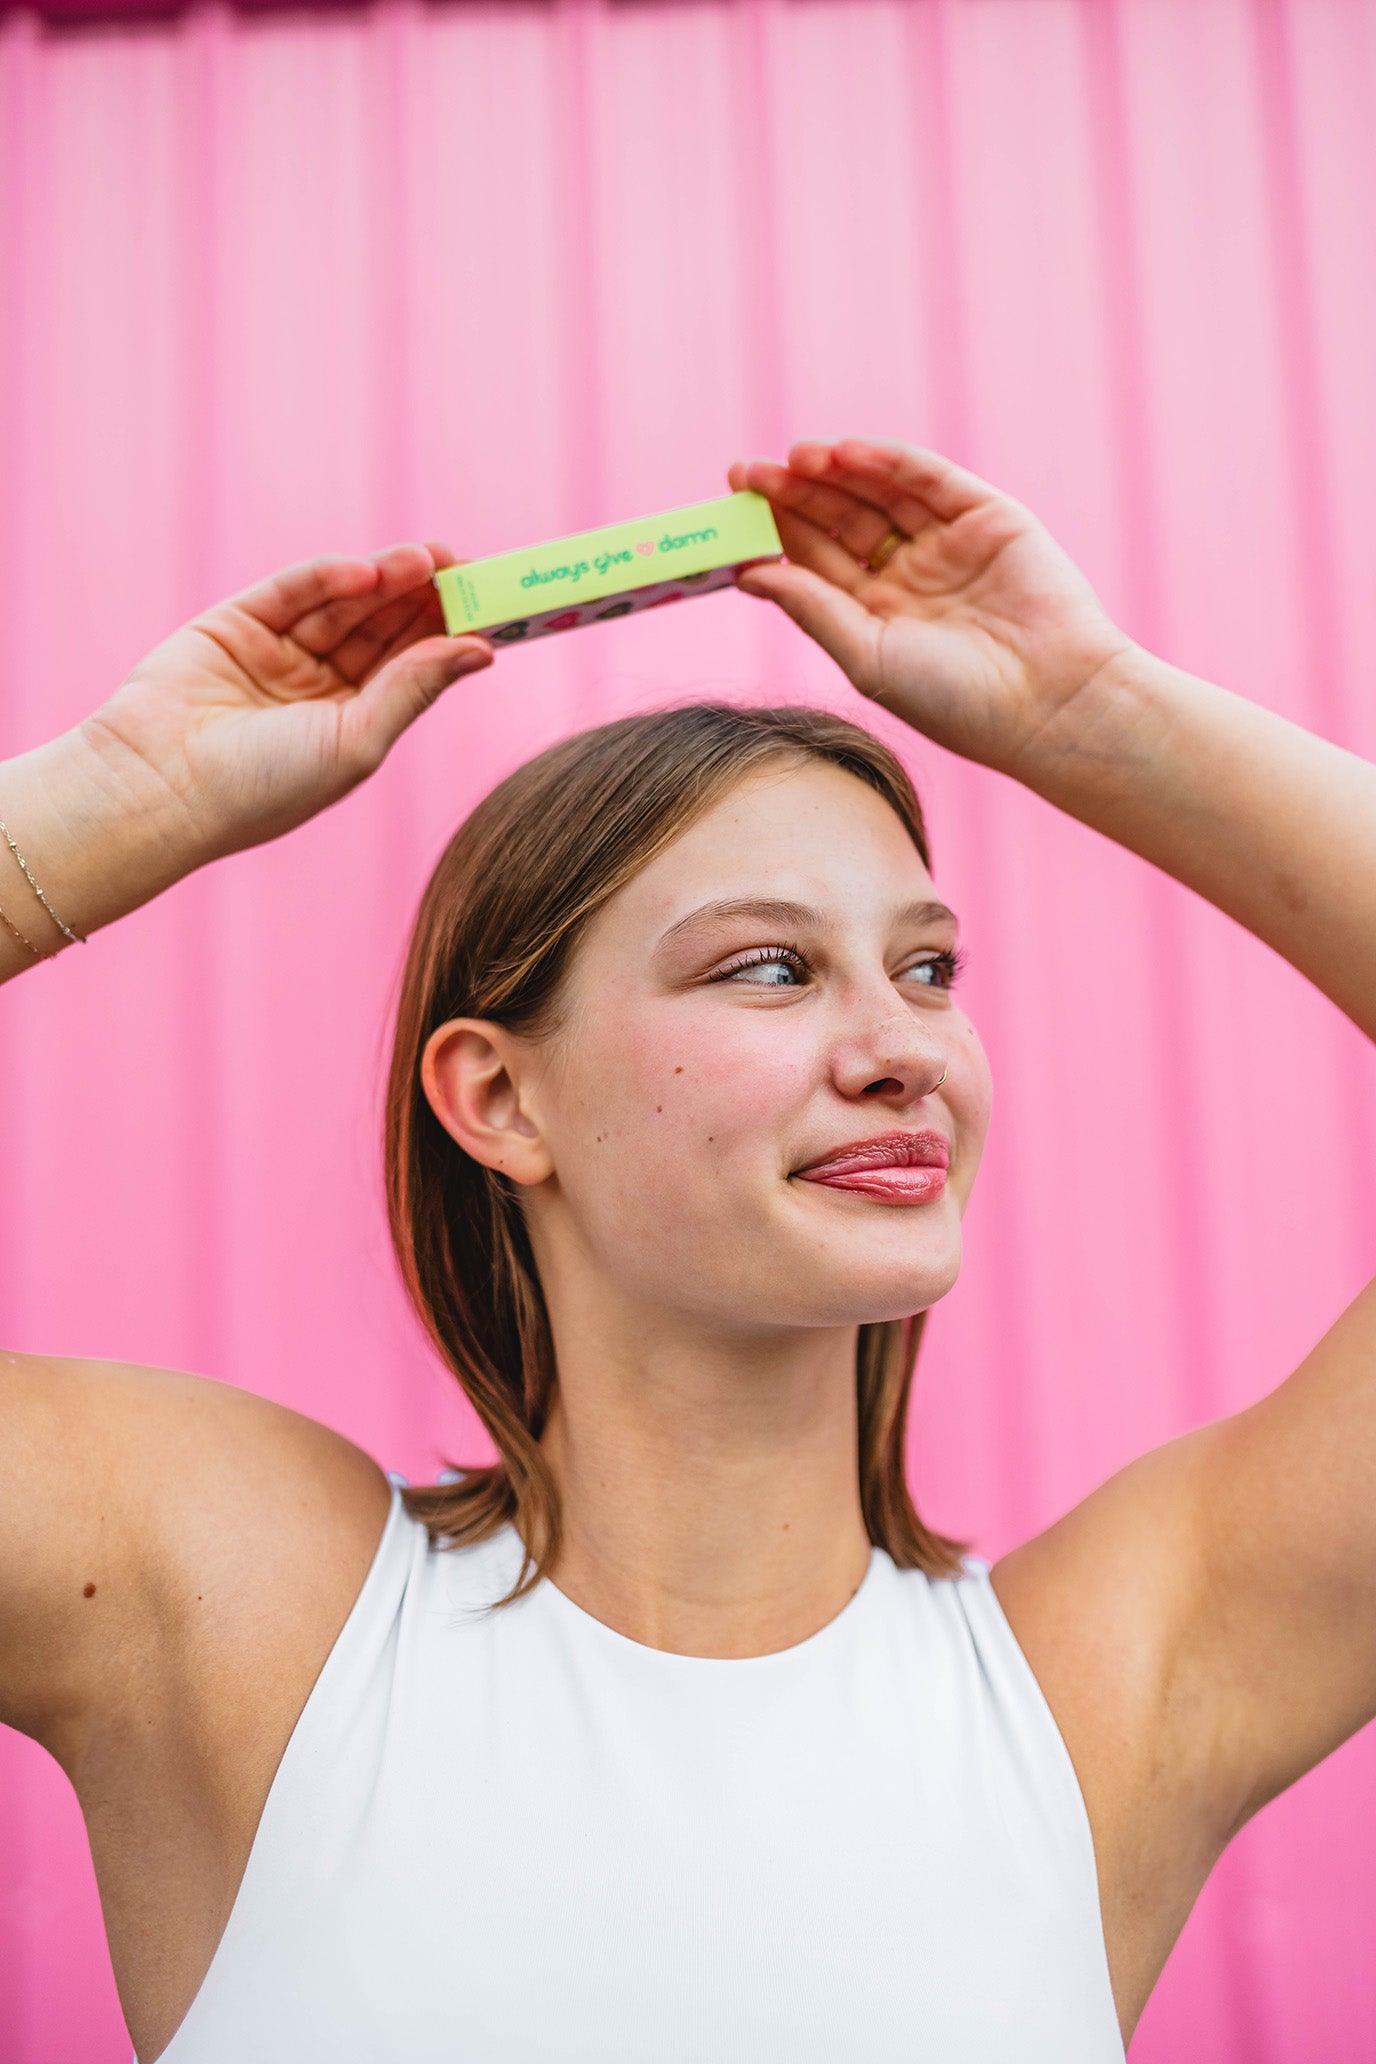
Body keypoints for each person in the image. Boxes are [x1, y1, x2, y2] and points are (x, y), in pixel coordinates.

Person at [0, 435, 1372, 2064]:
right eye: (771, 970)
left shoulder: (1119, 1686)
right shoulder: (223, 1601)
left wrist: (1100, 718)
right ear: (499, 1097)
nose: (903, 1048)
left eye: (928, 971)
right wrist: (120, 796)